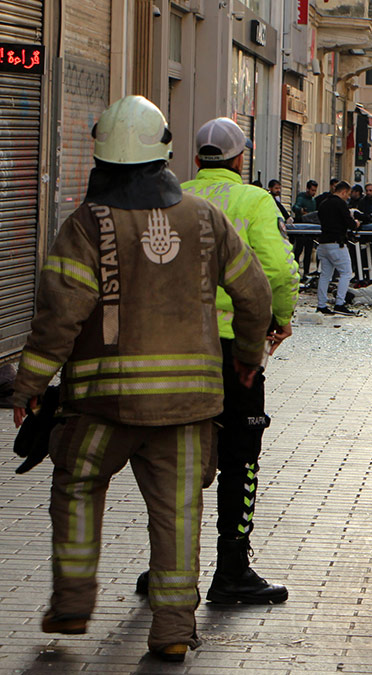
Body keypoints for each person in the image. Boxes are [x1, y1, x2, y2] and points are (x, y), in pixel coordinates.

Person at [9, 96, 272, 662]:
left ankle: (73, 602)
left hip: (103, 407)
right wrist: (248, 357)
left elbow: (58, 318)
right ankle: (174, 629)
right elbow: (255, 292)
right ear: (165, 156)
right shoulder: (206, 219)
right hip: (187, 409)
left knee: (76, 486)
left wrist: (29, 384)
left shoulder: (85, 226)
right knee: (178, 513)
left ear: (100, 161)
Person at [173, 116, 300, 605]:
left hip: (180, 344)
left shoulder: (175, 196)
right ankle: (232, 570)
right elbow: (276, 268)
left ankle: (166, 564)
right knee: (241, 457)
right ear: (240, 157)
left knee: (174, 458)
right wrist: (280, 318)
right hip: (235, 348)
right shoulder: (253, 200)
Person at [316, 181, 359, 316]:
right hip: (337, 244)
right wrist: (356, 223)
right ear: (343, 192)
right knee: (346, 273)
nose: (348, 197)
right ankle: (340, 303)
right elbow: (350, 223)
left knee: (325, 275)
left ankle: (321, 305)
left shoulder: (323, 203)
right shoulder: (340, 203)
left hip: (323, 244)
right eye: (348, 194)